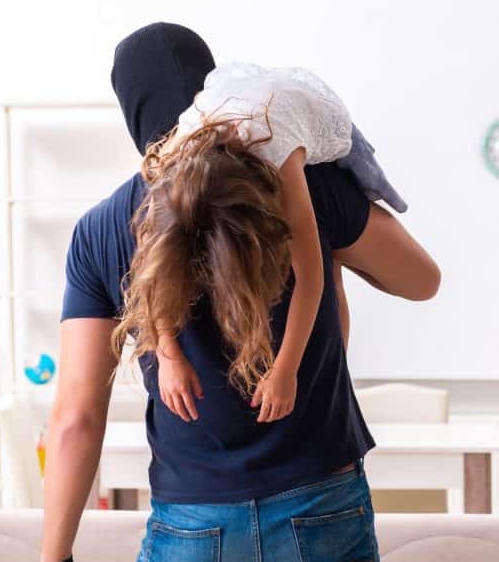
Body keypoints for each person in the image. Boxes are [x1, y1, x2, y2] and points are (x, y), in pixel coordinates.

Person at [36, 22, 439, 562]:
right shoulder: (301, 183)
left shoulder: (103, 229)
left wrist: (54, 560)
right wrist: (335, 252)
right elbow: (422, 281)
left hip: (194, 522)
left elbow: (75, 419)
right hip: (322, 505)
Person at [146, 59, 414, 425]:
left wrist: (285, 370)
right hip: (235, 96)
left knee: (377, 273)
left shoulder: (282, 163)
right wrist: (169, 356)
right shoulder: (167, 169)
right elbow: (155, 273)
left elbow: (309, 280)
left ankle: (336, 248)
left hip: (314, 115)